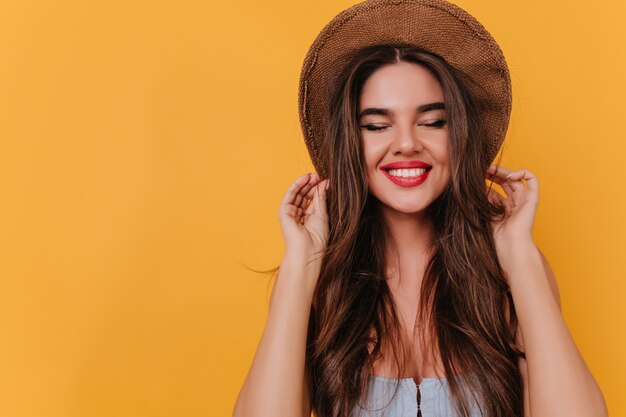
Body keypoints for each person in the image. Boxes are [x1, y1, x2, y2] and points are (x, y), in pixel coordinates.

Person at [232, 1, 608, 416]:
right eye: (377, 125)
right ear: (349, 145)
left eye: (432, 122)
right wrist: (301, 264)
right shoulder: (317, 281)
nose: (408, 143)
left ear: (459, 136)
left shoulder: (513, 273)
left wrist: (519, 254)